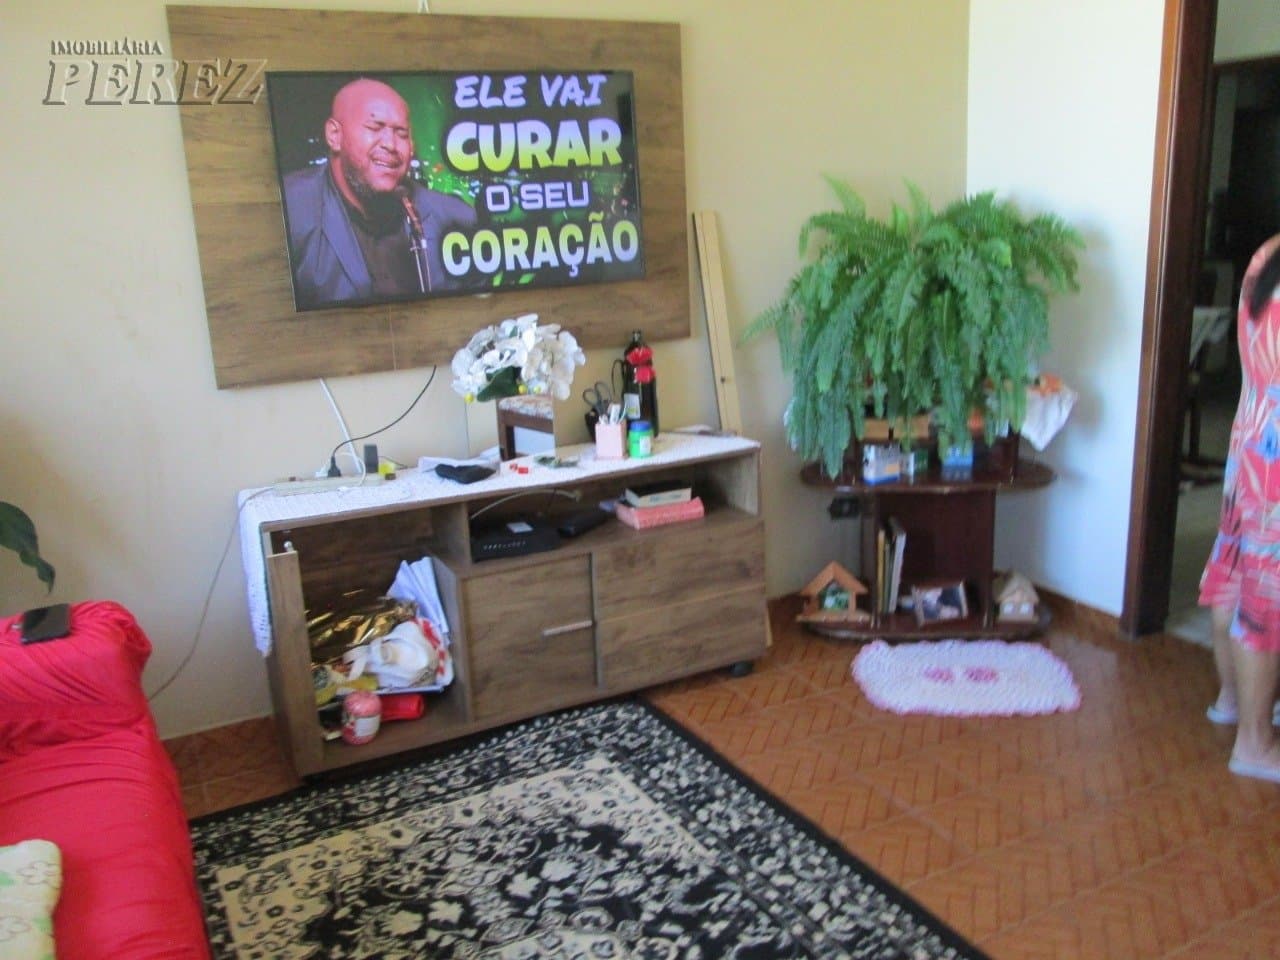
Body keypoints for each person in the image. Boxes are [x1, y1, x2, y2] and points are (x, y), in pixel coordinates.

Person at [281, 77, 476, 309]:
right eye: (375, 128)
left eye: (401, 133)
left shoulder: (455, 218)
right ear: (334, 136)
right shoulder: (290, 210)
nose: (391, 145)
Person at [1199, 232, 1280, 783]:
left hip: (1250, 434)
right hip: (1275, 454)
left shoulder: (1266, 255)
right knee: (1266, 597)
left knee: (1234, 568)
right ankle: (1255, 742)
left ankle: (1232, 698)